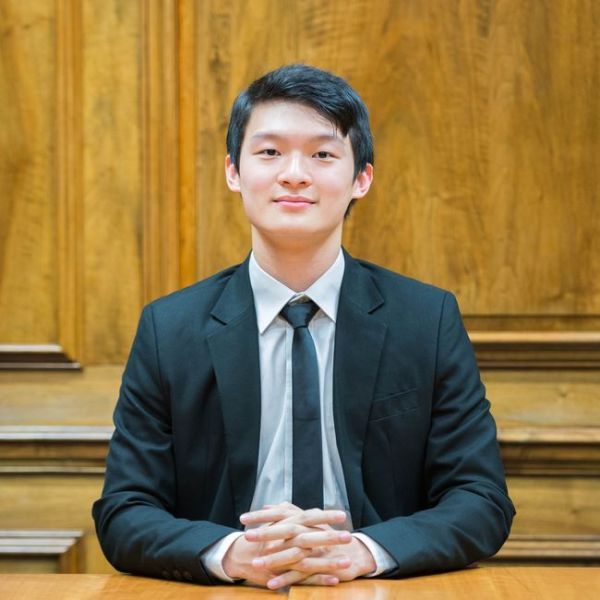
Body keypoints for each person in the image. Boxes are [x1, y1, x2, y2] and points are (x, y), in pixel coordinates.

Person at [93, 64, 514, 590]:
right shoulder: (169, 328)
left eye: (322, 154)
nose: (295, 173)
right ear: (233, 171)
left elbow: (481, 499)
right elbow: (124, 510)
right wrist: (232, 555)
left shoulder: (425, 320)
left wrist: (360, 552)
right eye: (269, 152)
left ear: (361, 177)